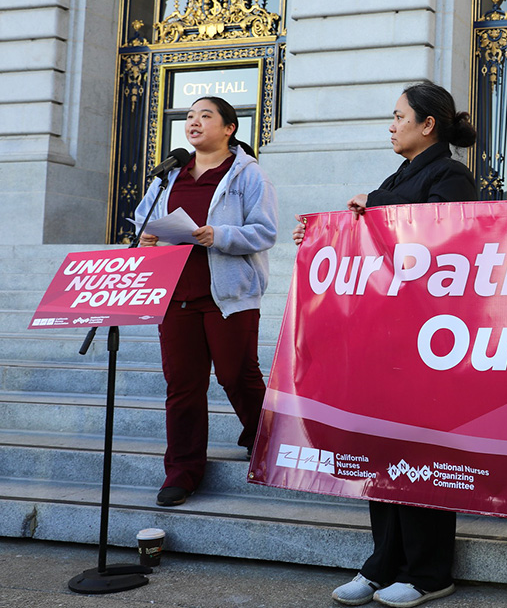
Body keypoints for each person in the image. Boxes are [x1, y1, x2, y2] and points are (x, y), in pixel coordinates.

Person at [295, 81, 477, 608]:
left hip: (431, 340)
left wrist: (373, 204)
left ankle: (428, 572)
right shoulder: (402, 174)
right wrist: (325, 239)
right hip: (389, 339)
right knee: (383, 455)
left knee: (422, 458)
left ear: (428, 125)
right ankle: (382, 565)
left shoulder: (451, 176)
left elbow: (439, 237)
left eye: (399, 116)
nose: (391, 125)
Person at [135, 96, 277, 508]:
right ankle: (181, 471)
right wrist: (147, 237)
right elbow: (144, 217)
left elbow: (264, 232)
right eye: (190, 116)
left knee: (237, 374)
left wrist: (220, 235)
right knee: (182, 386)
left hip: (228, 296)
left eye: (205, 116)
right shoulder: (169, 175)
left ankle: (262, 439)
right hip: (175, 294)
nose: (194, 122)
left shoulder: (247, 175)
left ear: (229, 127)